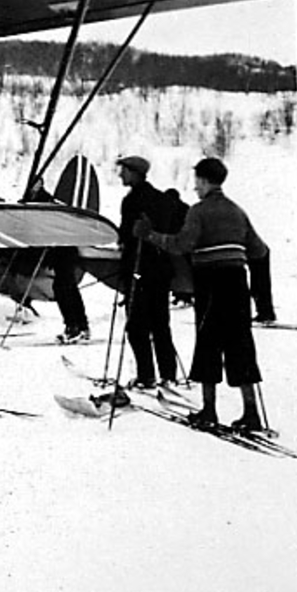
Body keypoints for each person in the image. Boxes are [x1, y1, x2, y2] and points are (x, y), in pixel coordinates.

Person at [134, 157, 268, 431]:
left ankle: (208, 411)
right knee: (240, 344)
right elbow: (259, 250)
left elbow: (182, 244)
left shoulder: (199, 211)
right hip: (237, 283)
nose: (195, 187)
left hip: (210, 283)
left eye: (197, 181)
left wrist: (150, 235)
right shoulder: (237, 211)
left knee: (209, 342)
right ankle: (251, 413)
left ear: (205, 181)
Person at [116, 155, 178, 387]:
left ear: (134, 173)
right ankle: (168, 374)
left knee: (136, 325)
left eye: (124, 171)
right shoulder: (162, 199)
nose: (121, 175)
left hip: (139, 270)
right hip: (161, 269)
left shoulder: (132, 201)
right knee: (160, 323)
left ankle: (146, 375)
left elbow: (126, 236)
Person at [26, 177, 90, 343]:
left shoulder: (47, 203)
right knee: (64, 287)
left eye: (35, 185)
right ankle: (77, 326)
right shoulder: (33, 202)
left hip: (64, 251)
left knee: (65, 287)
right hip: (57, 252)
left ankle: (76, 326)